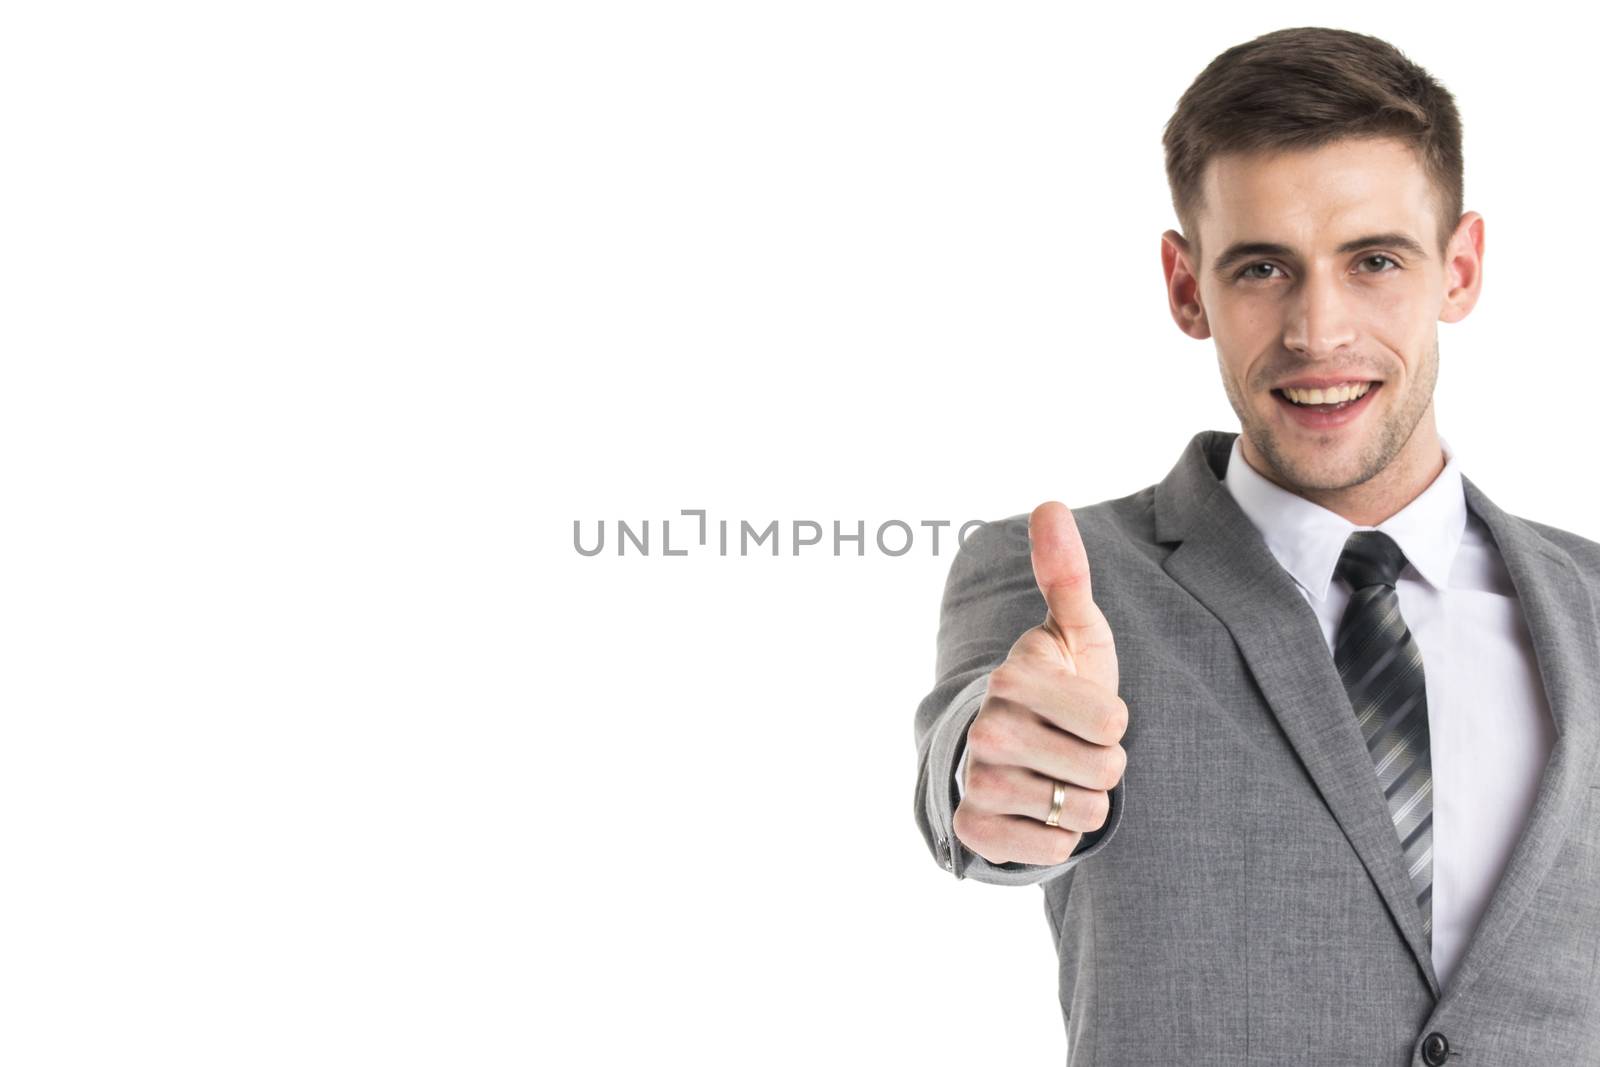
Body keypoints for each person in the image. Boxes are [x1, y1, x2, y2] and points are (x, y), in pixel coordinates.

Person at [912, 25, 1600, 1066]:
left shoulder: (1588, 603)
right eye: (1262, 268)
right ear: (1186, 287)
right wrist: (1008, 783)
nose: (1318, 330)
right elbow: (976, 778)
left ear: (1458, 270)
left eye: (1373, 260)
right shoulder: (1067, 582)